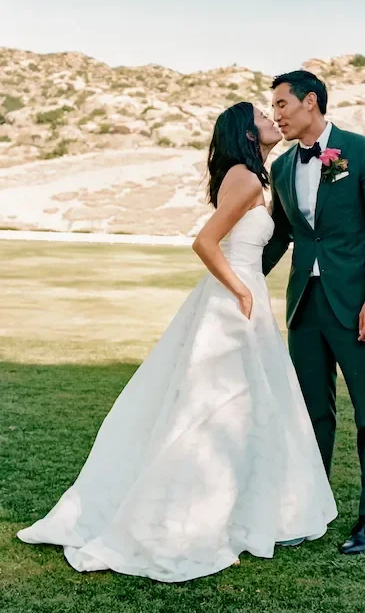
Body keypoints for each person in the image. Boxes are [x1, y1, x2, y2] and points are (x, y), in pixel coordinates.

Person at [17, 102, 337, 583]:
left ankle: (243, 511)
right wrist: (240, 289)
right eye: (261, 115)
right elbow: (205, 242)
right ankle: (195, 518)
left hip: (242, 297)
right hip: (233, 302)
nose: (272, 119)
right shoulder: (245, 179)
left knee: (247, 409)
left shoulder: (251, 177)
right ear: (247, 133)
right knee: (218, 409)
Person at [262, 70, 365, 555]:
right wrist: (242, 279)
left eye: (282, 104)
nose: (276, 115)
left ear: (311, 103)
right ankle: (310, 509)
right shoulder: (282, 167)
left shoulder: (363, 152)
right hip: (305, 304)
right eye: (273, 108)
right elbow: (282, 235)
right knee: (311, 412)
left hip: (355, 303)